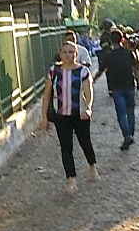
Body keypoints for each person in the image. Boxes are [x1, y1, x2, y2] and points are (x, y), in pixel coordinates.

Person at [40, 41, 97, 193]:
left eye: (71, 52)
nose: (67, 55)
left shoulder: (83, 71)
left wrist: (88, 108)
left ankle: (92, 165)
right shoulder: (54, 71)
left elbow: (88, 92)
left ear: (76, 54)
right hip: (61, 116)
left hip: (79, 114)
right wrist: (44, 117)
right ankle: (71, 179)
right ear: (60, 54)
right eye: (65, 52)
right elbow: (46, 95)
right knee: (66, 147)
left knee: (85, 142)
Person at [93, 29, 137, 150]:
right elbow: (137, 66)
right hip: (130, 85)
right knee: (130, 111)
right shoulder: (128, 53)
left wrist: (93, 80)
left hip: (117, 88)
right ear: (122, 39)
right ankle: (131, 134)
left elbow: (100, 71)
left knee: (121, 114)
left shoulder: (108, 56)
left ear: (111, 41)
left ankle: (127, 135)